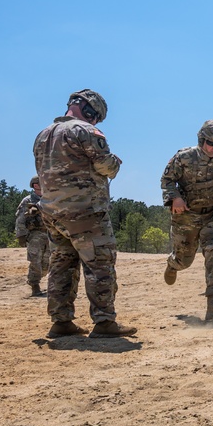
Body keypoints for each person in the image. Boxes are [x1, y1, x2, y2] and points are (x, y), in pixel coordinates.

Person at [32, 89, 136, 339]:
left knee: (61, 266)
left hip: (52, 212)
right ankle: (104, 322)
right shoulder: (86, 131)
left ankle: (61, 321)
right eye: (96, 117)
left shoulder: (42, 134)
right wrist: (115, 162)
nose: (95, 122)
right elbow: (105, 166)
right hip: (85, 213)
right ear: (90, 110)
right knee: (99, 265)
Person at [161, 120, 213, 321]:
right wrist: (175, 198)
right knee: (185, 260)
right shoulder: (184, 157)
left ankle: (212, 305)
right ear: (201, 139)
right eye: (210, 143)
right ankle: (173, 264)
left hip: (211, 214)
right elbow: (166, 180)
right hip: (186, 217)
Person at [14, 176, 51, 297]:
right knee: (35, 261)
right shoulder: (28, 200)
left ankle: (36, 279)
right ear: (35, 185)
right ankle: (35, 285)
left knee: (47, 263)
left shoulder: (50, 199)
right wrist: (21, 235)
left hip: (51, 234)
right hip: (35, 234)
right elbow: (20, 219)